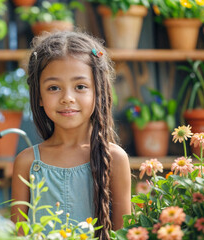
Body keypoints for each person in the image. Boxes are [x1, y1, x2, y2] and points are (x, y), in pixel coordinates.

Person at [11, 31, 131, 239]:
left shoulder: (115, 159)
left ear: (98, 91)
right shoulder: (27, 162)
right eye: (54, 87)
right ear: (39, 96)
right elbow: (16, 235)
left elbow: (126, 234)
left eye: (80, 87)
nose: (67, 98)